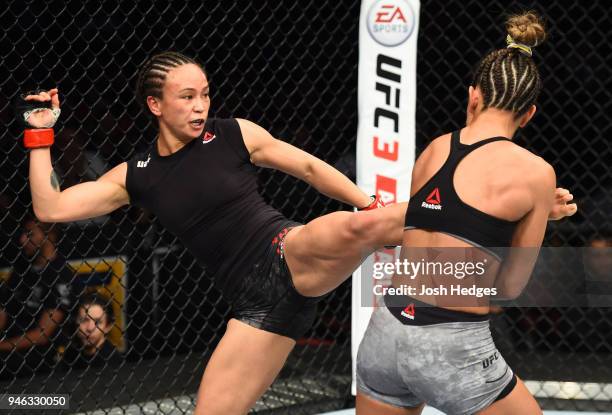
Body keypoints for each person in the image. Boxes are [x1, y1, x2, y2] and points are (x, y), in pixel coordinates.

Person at [22, 51, 574, 414]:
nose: (200, 105)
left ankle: (479, 214)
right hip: (258, 309)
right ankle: (489, 214)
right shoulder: (135, 176)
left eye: (205, 93)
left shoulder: (234, 134)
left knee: (356, 224)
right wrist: (39, 136)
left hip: (287, 252)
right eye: (187, 96)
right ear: (154, 104)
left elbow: (308, 167)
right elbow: (50, 207)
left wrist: (364, 199)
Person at [356, 12, 577, 415]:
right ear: (529, 114)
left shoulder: (435, 149)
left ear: (473, 96)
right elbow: (508, 288)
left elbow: (436, 230)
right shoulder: (536, 173)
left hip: (384, 331)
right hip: (451, 345)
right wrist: (537, 215)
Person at [0, 216, 74, 379]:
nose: (22, 239)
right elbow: (3, 310)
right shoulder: (21, 269)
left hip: (39, 354)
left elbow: (42, 334)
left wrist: (1, 346)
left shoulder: (60, 275)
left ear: (49, 236)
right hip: (9, 344)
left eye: (30, 234)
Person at [61, 293, 120, 370]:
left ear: (108, 327)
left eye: (97, 322)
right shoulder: (70, 354)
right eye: (84, 320)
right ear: (75, 322)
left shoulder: (114, 362)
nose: (90, 328)